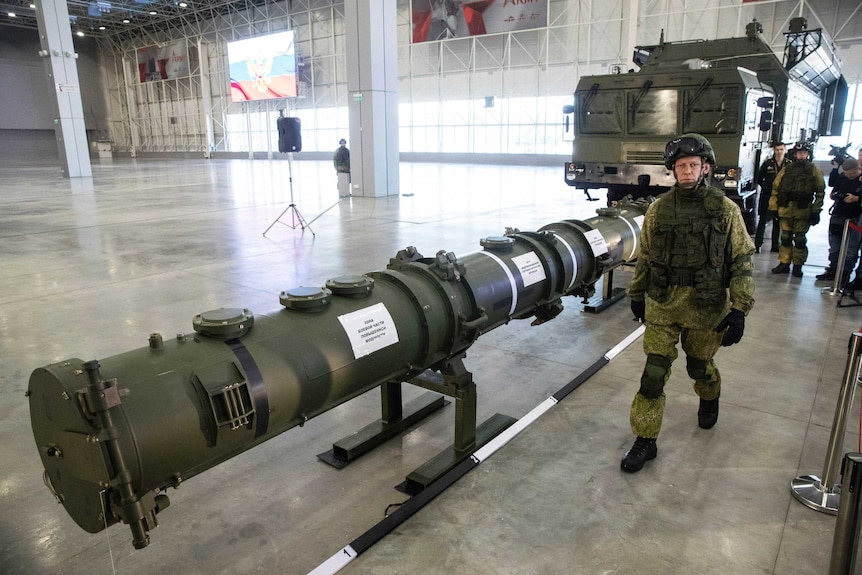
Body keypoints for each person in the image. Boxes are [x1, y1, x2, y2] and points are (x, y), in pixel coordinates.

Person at [622, 133, 755, 473]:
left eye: (693, 165)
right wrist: (637, 294)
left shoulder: (725, 209)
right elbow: (647, 258)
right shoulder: (659, 209)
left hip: (705, 306)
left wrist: (739, 308)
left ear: (705, 167)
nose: (686, 171)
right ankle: (645, 440)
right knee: (653, 373)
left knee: (699, 366)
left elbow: (741, 260)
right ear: (673, 170)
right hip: (664, 303)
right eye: (680, 166)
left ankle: (710, 395)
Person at [768, 142, 825, 278]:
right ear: (795, 154)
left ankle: (798, 265)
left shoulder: (813, 170)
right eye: (799, 153)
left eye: (804, 153)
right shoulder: (787, 170)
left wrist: (816, 210)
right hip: (786, 209)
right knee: (786, 237)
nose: (802, 155)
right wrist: (773, 207)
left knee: (799, 239)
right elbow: (775, 188)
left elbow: (820, 191)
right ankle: (784, 262)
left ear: (808, 154)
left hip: (803, 210)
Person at [816, 158, 862, 284]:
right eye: (847, 174)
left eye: (852, 174)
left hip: (855, 217)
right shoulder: (842, 178)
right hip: (838, 214)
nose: (849, 176)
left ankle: (845, 274)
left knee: (851, 250)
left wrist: (856, 198)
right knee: (834, 247)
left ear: (858, 169)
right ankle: (833, 270)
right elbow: (833, 191)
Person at [754, 143, 790, 254]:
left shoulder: (789, 165)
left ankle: (775, 245)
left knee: (778, 221)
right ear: (774, 150)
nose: (779, 152)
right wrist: (765, 187)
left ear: (785, 150)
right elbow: (759, 178)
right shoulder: (767, 164)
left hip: (782, 197)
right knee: (763, 219)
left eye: (781, 149)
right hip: (767, 196)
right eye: (777, 149)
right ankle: (757, 245)